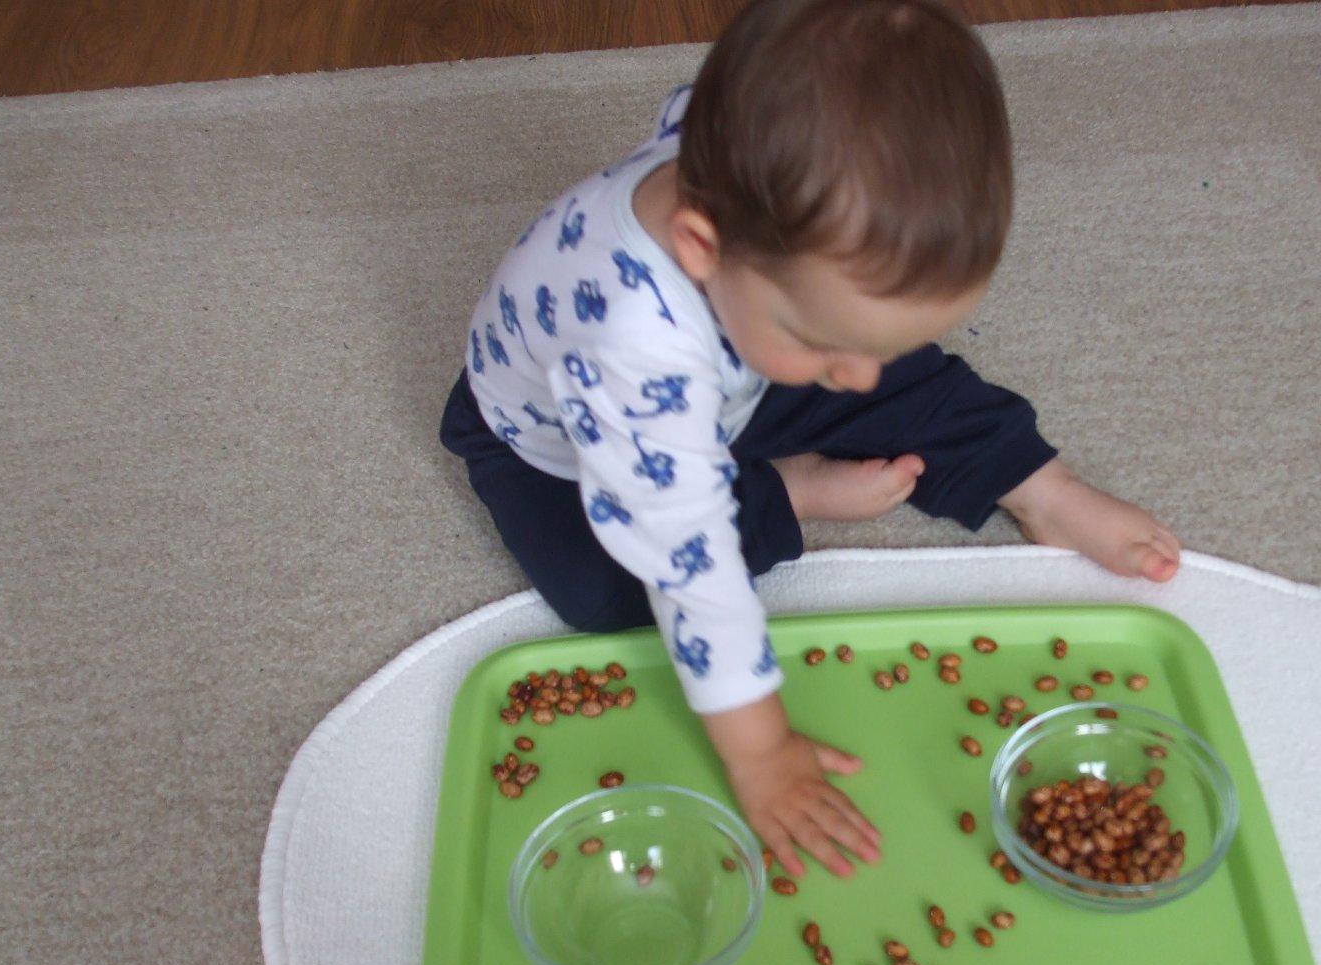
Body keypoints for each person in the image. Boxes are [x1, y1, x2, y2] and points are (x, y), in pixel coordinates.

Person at [440, 0, 1181, 880]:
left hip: (731, 375)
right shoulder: (635, 348)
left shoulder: (742, 158)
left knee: (906, 380)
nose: (855, 377)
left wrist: (831, 343)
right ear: (701, 246)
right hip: (556, 446)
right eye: (825, 342)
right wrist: (761, 754)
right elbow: (690, 572)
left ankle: (1039, 486)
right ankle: (783, 492)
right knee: (604, 592)